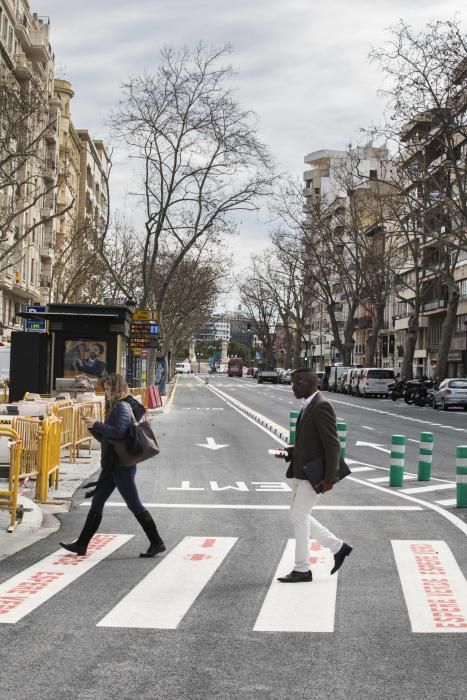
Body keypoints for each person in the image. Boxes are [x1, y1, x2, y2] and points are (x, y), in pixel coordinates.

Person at [60, 373, 165, 558]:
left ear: (117, 388)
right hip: (113, 464)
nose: (106, 392)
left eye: (108, 389)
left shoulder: (122, 406)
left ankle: (156, 542)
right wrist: (93, 427)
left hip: (121, 466)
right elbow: (106, 438)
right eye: (105, 388)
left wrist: (97, 424)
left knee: (134, 505)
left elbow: (119, 432)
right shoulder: (115, 407)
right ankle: (82, 544)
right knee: (98, 501)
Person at [275, 368, 352, 582]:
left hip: (314, 474)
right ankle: (338, 547)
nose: (292, 387)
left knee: (299, 516)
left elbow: (332, 444)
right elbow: (309, 443)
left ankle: (302, 569)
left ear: (308, 383)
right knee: (297, 515)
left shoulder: (321, 406)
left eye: (296, 383)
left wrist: (330, 477)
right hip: (302, 471)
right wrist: (289, 452)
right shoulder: (309, 405)